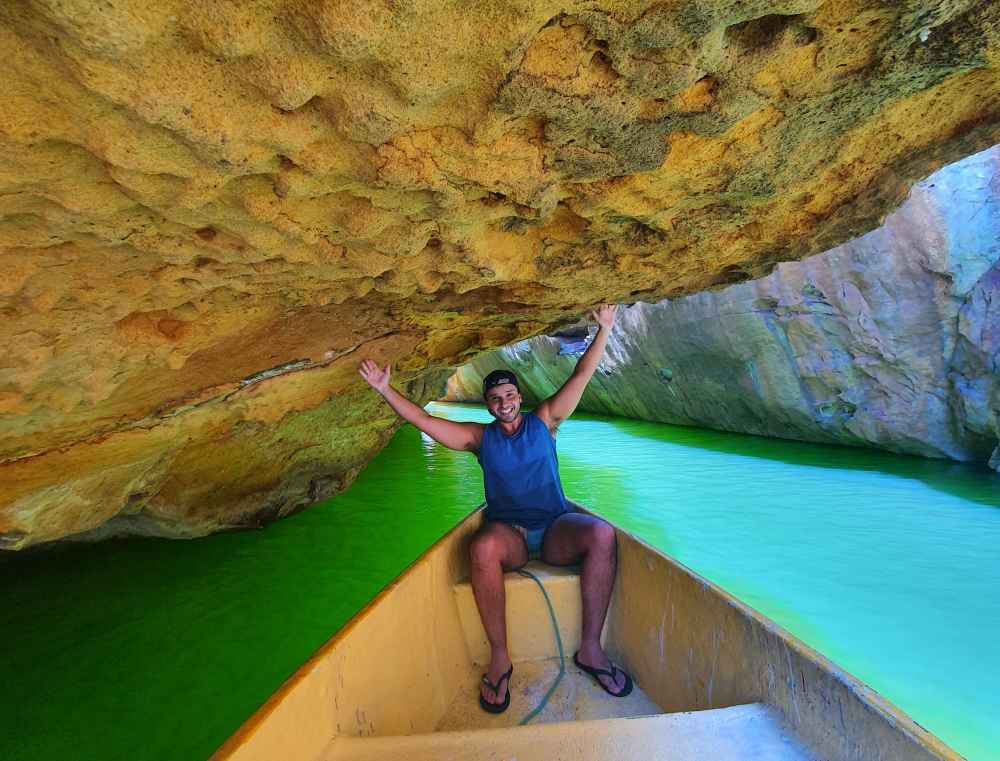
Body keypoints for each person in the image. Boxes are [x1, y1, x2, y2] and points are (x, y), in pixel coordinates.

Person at [358, 303, 632, 714]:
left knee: (602, 533)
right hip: (513, 537)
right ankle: (500, 656)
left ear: (518, 397)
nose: (503, 402)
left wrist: (605, 329)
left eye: (509, 395)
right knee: (482, 547)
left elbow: (581, 375)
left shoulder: (546, 420)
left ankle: (591, 650)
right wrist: (383, 389)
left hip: (555, 527)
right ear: (488, 405)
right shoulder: (478, 439)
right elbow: (423, 421)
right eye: (495, 398)